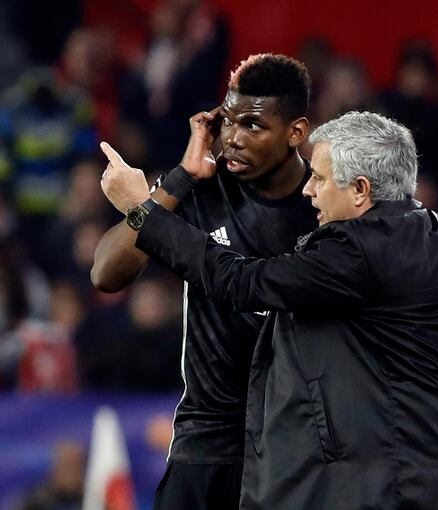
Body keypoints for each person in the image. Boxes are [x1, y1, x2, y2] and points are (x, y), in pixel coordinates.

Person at [98, 110, 438, 509]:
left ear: (361, 190)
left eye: (321, 179)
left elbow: (240, 281)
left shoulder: (354, 250)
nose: (308, 189)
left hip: (399, 489)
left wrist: (145, 212)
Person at [90, 54, 316, 509]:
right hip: (205, 440)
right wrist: (177, 180)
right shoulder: (203, 190)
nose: (233, 138)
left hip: (296, 445)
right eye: (228, 121)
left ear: (296, 132)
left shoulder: (322, 204)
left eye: (253, 126)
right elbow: (107, 273)